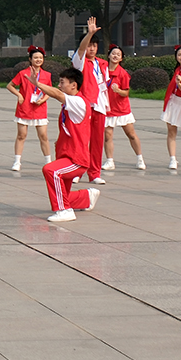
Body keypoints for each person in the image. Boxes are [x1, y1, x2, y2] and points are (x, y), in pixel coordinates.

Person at [36, 67, 101, 223]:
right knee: (63, 195)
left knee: (51, 170)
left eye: (62, 82)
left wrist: (37, 84)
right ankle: (87, 197)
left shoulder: (78, 101)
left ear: (73, 85)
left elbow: (57, 95)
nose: (59, 86)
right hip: (67, 156)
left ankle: (65, 211)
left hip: (76, 159)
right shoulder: (72, 102)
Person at [72, 18, 110, 183]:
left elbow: (104, 86)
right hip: (84, 106)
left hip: (99, 106)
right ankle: (76, 172)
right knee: (81, 141)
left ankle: (94, 173)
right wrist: (89, 34)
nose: (92, 48)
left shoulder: (102, 64)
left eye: (94, 45)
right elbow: (81, 49)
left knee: (97, 141)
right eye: (89, 45)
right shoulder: (79, 62)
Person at [6, 45, 52, 172]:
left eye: (40, 58)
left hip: (39, 109)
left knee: (43, 136)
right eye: (35, 57)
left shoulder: (47, 75)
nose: (38, 60)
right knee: (21, 135)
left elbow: (50, 91)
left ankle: (48, 162)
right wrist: (19, 95)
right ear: (30, 59)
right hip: (24, 108)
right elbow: (10, 85)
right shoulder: (23, 73)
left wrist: (43, 99)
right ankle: (17, 161)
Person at [104, 45, 145, 170]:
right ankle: (110, 161)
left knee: (131, 134)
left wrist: (118, 90)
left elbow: (126, 93)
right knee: (107, 136)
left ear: (121, 58)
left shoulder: (123, 74)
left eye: (118, 54)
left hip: (122, 109)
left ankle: (140, 159)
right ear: (109, 55)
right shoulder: (102, 71)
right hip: (107, 109)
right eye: (113, 53)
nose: (115, 56)